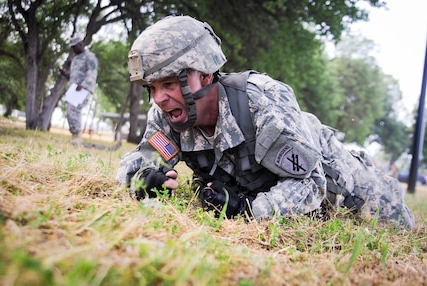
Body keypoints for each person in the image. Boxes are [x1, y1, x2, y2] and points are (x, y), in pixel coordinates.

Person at [116, 15, 415, 230]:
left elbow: (310, 183)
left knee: (400, 225)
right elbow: (142, 158)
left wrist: (248, 210)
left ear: (204, 74)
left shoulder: (261, 101)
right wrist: (143, 177)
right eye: (152, 88)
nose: (159, 98)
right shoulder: (168, 115)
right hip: (263, 186)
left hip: (340, 180)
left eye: (168, 84)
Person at [61, 36, 98, 145]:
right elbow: (74, 76)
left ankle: (77, 136)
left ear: (81, 44)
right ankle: (75, 135)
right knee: (69, 110)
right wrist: (66, 74)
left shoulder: (90, 57)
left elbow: (92, 73)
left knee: (74, 109)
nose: (73, 49)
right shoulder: (75, 59)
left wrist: (83, 85)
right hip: (74, 89)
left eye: (74, 47)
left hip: (84, 88)